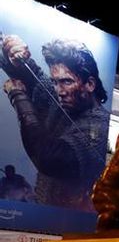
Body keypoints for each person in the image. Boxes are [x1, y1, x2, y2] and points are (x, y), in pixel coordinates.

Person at [1, 36, 110, 210]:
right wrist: (18, 59)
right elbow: (38, 85)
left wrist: (18, 96)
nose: (60, 92)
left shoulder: (98, 125)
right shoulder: (68, 102)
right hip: (45, 213)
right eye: (55, 82)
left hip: (72, 225)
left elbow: (48, 158)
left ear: (90, 84)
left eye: (67, 81)